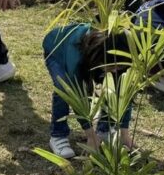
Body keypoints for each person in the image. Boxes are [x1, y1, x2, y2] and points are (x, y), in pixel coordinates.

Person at [42, 23, 133, 158]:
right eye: (114, 66)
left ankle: (105, 130)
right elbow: (75, 93)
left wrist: (124, 133)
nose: (116, 70)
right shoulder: (77, 55)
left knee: (114, 85)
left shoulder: (118, 49)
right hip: (57, 50)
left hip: (96, 58)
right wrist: (90, 135)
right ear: (101, 58)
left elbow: (124, 91)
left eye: (119, 67)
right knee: (63, 87)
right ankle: (58, 135)